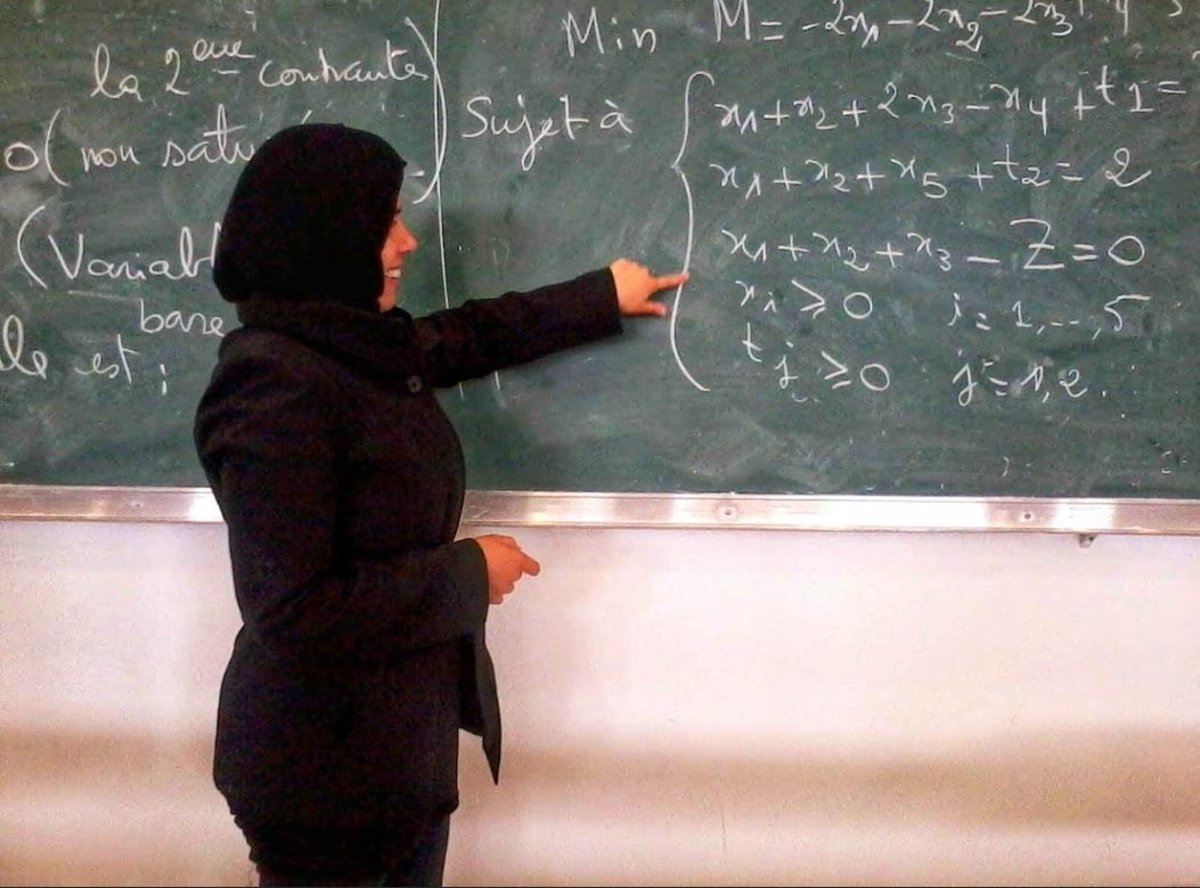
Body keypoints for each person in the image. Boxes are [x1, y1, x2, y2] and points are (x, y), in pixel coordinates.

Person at [192, 122, 686, 887]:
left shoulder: (343, 348)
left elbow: (463, 336)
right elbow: (292, 607)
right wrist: (470, 572)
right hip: (325, 777)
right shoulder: (275, 385)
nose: (407, 243)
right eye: (385, 222)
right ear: (329, 234)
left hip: (388, 755)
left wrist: (597, 298)